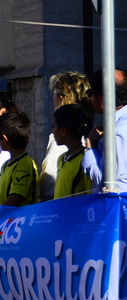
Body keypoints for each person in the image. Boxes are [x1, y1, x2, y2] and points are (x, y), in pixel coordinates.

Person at [38, 72, 94, 201]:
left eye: (54, 94)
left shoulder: (62, 137)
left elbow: (48, 184)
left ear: (61, 97)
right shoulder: (90, 128)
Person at [82, 68, 127, 193]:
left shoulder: (116, 134)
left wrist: (90, 147)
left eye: (90, 93)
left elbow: (106, 183)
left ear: (100, 99)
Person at [0, 112, 38, 207]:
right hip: (2, 219)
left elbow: (13, 200)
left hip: (17, 220)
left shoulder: (25, 163)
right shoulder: (6, 165)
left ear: (5, 138)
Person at [52, 104, 93, 199]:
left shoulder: (85, 159)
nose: (52, 131)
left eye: (53, 126)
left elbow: (91, 196)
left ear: (63, 131)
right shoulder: (61, 159)